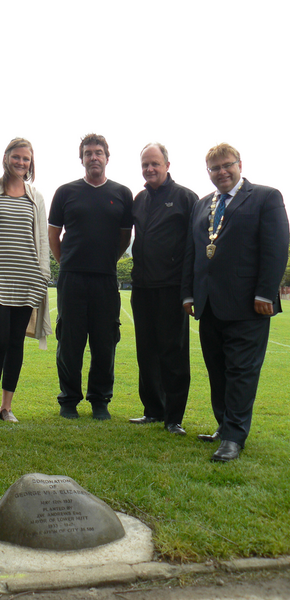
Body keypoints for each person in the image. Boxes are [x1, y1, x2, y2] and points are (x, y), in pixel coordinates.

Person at [181, 143, 289, 462]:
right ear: (209, 172)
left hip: (249, 305)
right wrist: (189, 294)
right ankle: (223, 425)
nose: (222, 172)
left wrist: (265, 293)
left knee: (241, 370)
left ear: (240, 164)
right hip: (209, 303)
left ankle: (233, 437)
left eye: (227, 165)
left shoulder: (266, 198)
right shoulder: (202, 206)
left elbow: (276, 248)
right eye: (214, 168)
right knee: (218, 370)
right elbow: (193, 253)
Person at [49, 134, 133, 420]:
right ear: (81, 158)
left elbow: (125, 236)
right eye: (88, 153)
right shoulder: (65, 192)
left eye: (99, 152)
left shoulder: (122, 193)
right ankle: (68, 401)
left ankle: (100, 400)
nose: (93, 157)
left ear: (107, 157)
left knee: (104, 341)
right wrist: (67, 262)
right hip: (72, 279)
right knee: (69, 341)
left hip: (106, 279)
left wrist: (108, 261)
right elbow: (53, 234)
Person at [0, 138, 51, 423]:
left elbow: (42, 237)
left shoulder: (36, 197)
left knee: (16, 342)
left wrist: (43, 275)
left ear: (31, 163)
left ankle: (7, 406)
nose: (21, 163)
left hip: (27, 277)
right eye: (16, 157)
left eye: (26, 159)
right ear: (6, 158)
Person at [129, 143, 198, 435]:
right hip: (142, 287)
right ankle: (153, 410)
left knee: (173, 352)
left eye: (155, 163)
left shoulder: (185, 198)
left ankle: (174, 417)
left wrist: (188, 289)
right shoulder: (140, 199)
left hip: (171, 288)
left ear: (167, 164)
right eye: (145, 164)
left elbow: (194, 247)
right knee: (146, 352)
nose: (150, 169)